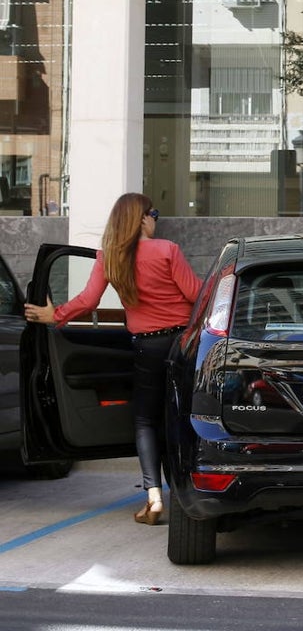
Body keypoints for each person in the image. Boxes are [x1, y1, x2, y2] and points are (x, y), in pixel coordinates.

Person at [24, 193, 202, 526]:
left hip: (145, 346)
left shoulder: (110, 257)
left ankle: (153, 498)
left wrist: (55, 315)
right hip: (181, 343)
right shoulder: (167, 250)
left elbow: (89, 299)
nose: (156, 219)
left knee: (145, 421)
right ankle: (186, 491)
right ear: (142, 218)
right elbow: (195, 294)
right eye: (154, 213)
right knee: (180, 416)